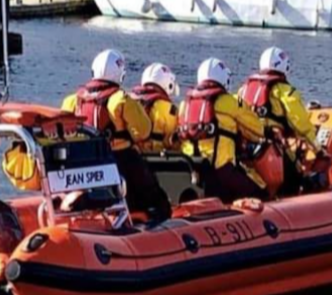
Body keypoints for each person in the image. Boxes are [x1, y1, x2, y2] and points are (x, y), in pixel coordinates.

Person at [62, 50, 172, 222]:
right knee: (157, 201)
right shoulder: (120, 99)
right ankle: (148, 222)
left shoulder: (73, 101)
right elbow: (143, 130)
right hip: (120, 161)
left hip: (83, 162)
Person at [238, 47, 325, 195]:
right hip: (272, 149)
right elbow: (302, 125)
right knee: (295, 176)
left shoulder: (243, 90)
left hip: (246, 149)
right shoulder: (286, 91)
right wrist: (319, 150)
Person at [178, 58, 268, 203]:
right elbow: (257, 128)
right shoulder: (234, 100)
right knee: (260, 193)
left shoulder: (184, 103)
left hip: (190, 168)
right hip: (222, 170)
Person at [132, 63, 181, 154]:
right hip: (157, 160)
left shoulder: (131, 102)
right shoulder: (169, 109)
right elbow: (172, 142)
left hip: (134, 156)